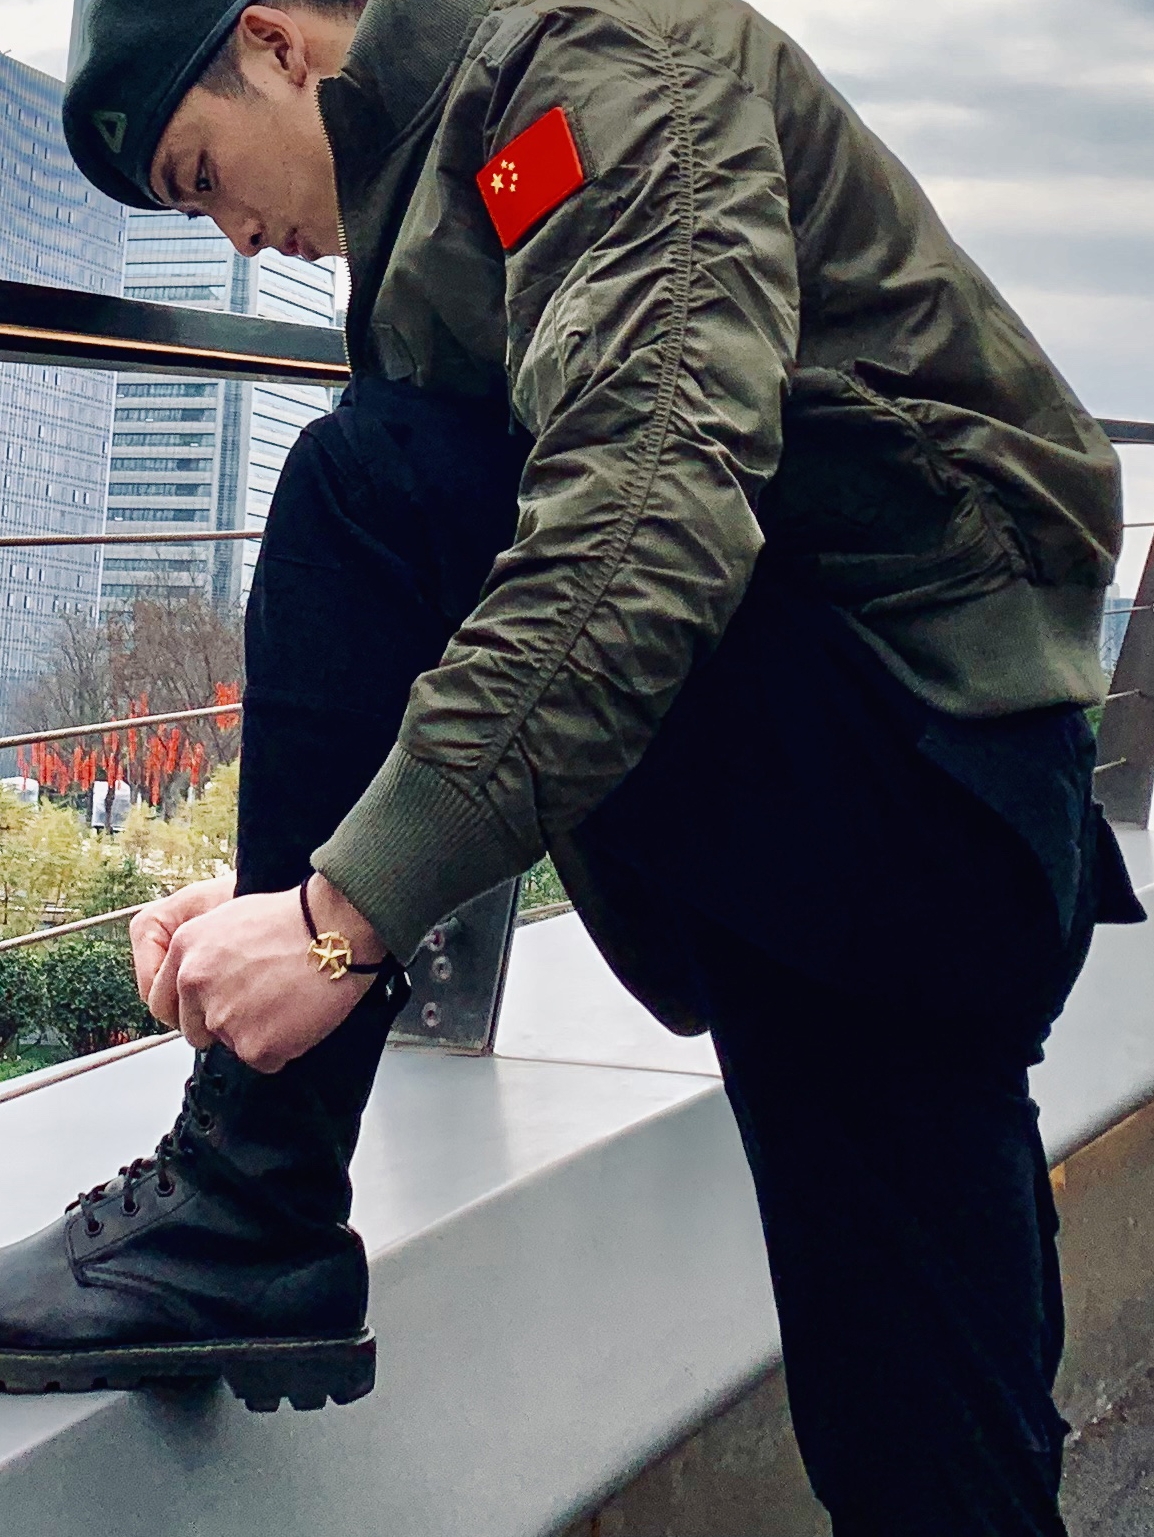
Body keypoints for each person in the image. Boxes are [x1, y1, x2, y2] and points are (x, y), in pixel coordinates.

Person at [0, 0, 1142, 1527]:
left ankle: (252, 1195)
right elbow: (497, 596)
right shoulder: (453, 172)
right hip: (876, 796)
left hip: (915, 773)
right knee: (924, 1436)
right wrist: (296, 879)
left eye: (203, 179)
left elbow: (643, 512)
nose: (237, 240)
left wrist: (341, 913)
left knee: (361, 478)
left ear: (272, 41)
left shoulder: (595, 66)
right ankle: (249, 1200)